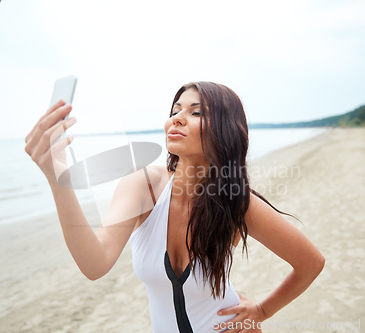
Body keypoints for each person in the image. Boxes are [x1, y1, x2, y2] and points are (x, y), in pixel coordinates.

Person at [24, 81, 325, 332]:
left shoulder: (238, 203)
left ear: (226, 130)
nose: (177, 118)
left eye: (196, 112)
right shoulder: (144, 184)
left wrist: (261, 310)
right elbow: (95, 264)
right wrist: (58, 180)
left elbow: (311, 262)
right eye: (175, 110)